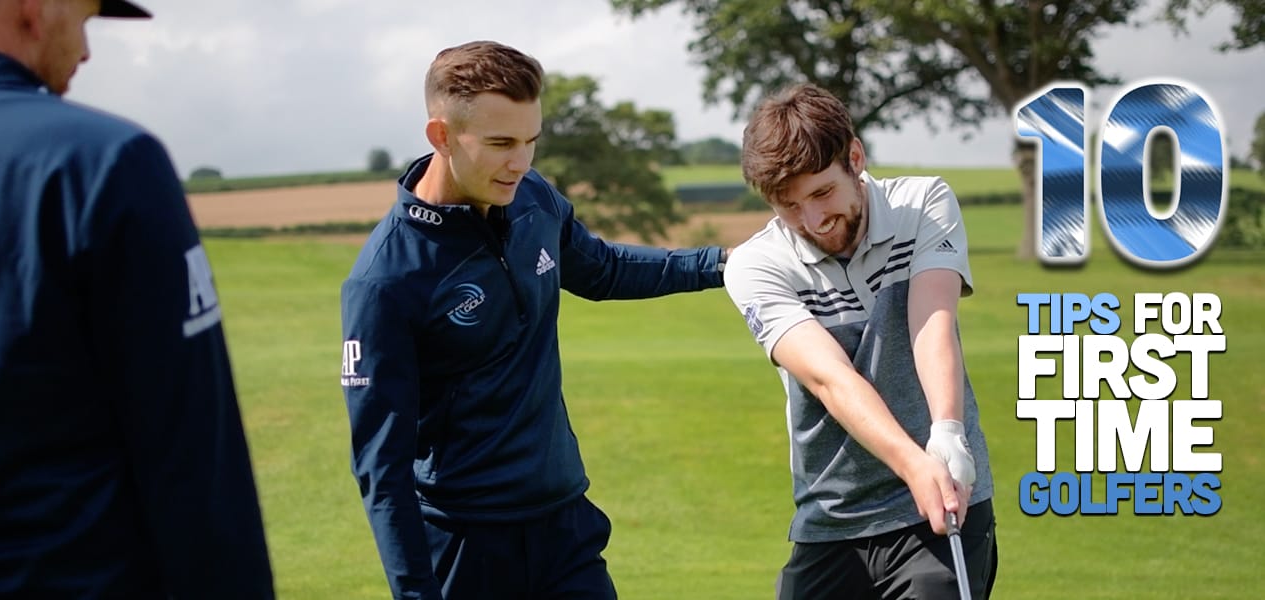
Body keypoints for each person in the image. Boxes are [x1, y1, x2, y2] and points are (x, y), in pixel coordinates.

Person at [339, 40, 728, 599]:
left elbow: (603, 269)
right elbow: (382, 467)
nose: (520, 162)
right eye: (500, 143)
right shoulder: (385, 281)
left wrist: (722, 264)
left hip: (564, 527)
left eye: (529, 142)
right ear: (441, 136)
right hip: (463, 545)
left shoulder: (532, 199)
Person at [0, 1, 275, 597]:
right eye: (82, 19)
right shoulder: (99, 162)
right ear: (36, 7)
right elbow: (195, 468)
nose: (84, 51)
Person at [722, 83, 997, 600]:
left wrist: (948, 432)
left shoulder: (922, 204)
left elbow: (930, 322)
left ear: (855, 157)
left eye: (823, 193)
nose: (813, 221)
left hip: (942, 508)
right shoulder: (755, 265)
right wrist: (913, 463)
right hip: (832, 519)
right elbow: (831, 379)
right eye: (789, 205)